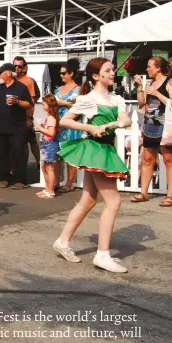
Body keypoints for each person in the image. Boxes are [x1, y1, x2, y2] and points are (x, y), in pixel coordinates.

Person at [55, 57, 131, 273]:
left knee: (88, 200)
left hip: (104, 149)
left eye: (112, 69)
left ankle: (62, 242)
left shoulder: (116, 98)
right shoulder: (88, 98)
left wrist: (115, 123)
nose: (112, 72)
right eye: (108, 69)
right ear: (96, 75)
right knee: (114, 201)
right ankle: (102, 254)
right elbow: (66, 120)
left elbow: (127, 120)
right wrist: (90, 129)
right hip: (95, 149)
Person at [130, 56, 172, 207]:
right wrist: (140, 87)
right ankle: (143, 192)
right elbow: (142, 102)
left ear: (158, 68)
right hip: (150, 125)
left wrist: (157, 93)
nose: (147, 69)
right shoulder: (150, 83)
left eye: (149, 66)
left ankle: (170, 196)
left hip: (166, 126)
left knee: (169, 160)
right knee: (147, 160)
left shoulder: (170, 83)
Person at [0, 63, 33, 189]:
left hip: (17, 126)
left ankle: (20, 180)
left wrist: (17, 101)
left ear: (8, 73)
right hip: (1, 127)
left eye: (1, 72)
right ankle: (4, 177)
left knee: (18, 153)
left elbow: (29, 104)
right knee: (1, 153)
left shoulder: (21, 87)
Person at [55, 60, 82, 193]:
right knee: (57, 153)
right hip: (58, 123)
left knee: (71, 154)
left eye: (64, 73)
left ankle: (70, 182)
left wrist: (64, 103)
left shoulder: (78, 90)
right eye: (60, 74)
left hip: (71, 123)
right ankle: (56, 180)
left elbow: (80, 107)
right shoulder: (59, 89)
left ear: (71, 73)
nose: (62, 76)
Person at [13, 56, 41, 167]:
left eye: (19, 66)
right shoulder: (11, 80)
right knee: (19, 144)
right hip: (13, 118)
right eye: (15, 66)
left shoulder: (29, 81)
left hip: (25, 118)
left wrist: (29, 118)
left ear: (24, 67)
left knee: (31, 142)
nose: (16, 69)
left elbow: (32, 100)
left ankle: (39, 163)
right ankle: (19, 167)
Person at [34, 94, 60, 198]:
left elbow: (51, 132)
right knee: (44, 167)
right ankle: (47, 188)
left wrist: (40, 128)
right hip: (46, 144)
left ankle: (51, 190)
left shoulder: (51, 118)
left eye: (44, 104)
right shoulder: (49, 117)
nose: (42, 106)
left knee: (49, 168)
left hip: (49, 145)